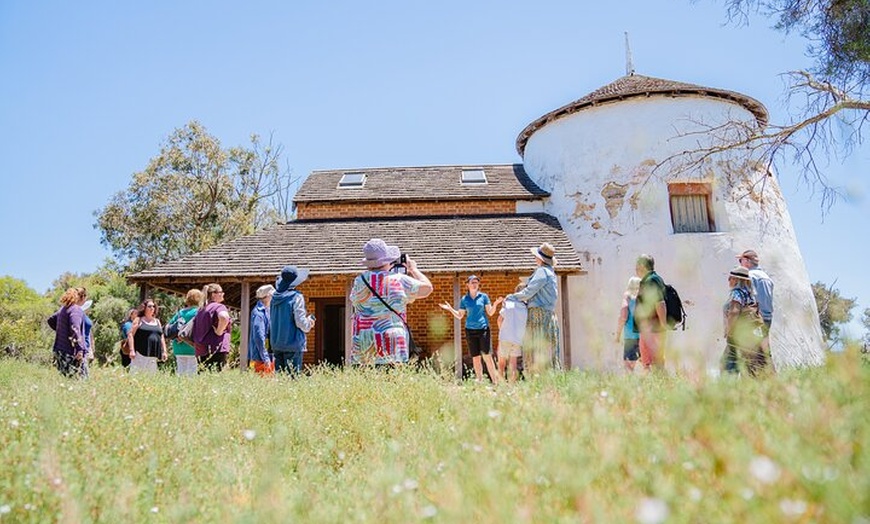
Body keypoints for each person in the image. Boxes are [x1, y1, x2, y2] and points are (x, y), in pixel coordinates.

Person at [350, 238, 433, 366]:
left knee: (367, 382)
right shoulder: (398, 280)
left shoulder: (359, 281)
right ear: (387, 260)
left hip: (363, 343)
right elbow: (427, 288)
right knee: (392, 380)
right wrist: (413, 269)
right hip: (391, 342)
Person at [505, 242, 560, 375]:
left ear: (540, 258)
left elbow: (529, 292)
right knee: (546, 350)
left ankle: (537, 378)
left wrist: (512, 297)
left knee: (536, 349)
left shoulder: (542, 272)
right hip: (548, 314)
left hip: (538, 315)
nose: (535, 259)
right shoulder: (551, 272)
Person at [439, 275, 503, 383]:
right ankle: (480, 381)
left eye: (476, 282)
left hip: (483, 330)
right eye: (472, 282)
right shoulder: (464, 299)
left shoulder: (484, 297)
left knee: (487, 356)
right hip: (470, 331)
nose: (474, 284)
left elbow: (490, 313)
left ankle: (495, 382)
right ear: (467, 285)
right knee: (476, 357)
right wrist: (450, 309)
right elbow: (460, 315)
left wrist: (496, 304)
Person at [721, 265, 770, 376]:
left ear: (737, 280)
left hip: (737, 334)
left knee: (727, 365)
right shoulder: (750, 295)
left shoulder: (736, 293)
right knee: (748, 364)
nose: (729, 280)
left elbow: (734, 312)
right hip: (750, 335)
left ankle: (727, 389)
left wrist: (729, 331)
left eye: (731, 278)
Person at [270, 267, 314, 374]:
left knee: (281, 379)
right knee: (293, 379)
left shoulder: (273, 298)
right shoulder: (296, 297)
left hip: (277, 344)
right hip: (293, 343)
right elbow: (300, 321)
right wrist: (309, 323)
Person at [738, 249, 774, 363]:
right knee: (763, 353)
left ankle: (751, 378)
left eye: (741, 260)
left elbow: (747, 299)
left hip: (754, 319)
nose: (740, 263)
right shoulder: (767, 277)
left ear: (747, 261)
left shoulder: (749, 276)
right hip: (767, 319)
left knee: (749, 354)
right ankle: (768, 377)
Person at [634, 254, 667, 371]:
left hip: (652, 329)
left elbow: (660, 303)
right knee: (652, 362)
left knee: (652, 363)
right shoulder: (654, 279)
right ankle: (657, 386)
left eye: (637, 265)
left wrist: (663, 324)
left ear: (642, 265)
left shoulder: (650, 281)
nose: (635, 268)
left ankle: (658, 386)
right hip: (651, 329)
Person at [47, 287, 89, 378]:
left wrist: (62, 331)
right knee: (80, 381)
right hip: (70, 352)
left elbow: (51, 320)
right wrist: (79, 349)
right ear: (82, 297)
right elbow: (75, 329)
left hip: (60, 350)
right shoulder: (76, 309)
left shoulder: (63, 309)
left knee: (66, 380)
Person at [192, 283, 233, 372]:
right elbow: (224, 317)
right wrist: (219, 331)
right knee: (215, 376)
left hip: (201, 349)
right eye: (221, 292)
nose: (223, 294)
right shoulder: (219, 306)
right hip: (216, 347)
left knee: (204, 376)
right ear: (214, 294)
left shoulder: (201, 309)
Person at [497, 282, 528, 383]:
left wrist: (502, 331)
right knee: (513, 364)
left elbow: (499, 320)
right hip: (517, 339)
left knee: (501, 363)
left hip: (505, 337)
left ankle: (500, 385)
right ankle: (512, 386)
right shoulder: (526, 308)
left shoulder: (508, 304)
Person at [168, 289, 201, 376]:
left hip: (178, 346)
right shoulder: (198, 312)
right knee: (192, 373)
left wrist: (179, 337)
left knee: (181, 372)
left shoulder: (180, 313)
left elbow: (170, 326)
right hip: (192, 345)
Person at [127, 300, 167, 373]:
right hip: (140, 354)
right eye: (149, 306)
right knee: (136, 375)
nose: (152, 308)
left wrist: (164, 351)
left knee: (150, 377)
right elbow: (130, 334)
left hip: (153, 355)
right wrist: (132, 350)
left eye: (153, 306)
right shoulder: (138, 320)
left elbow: (161, 336)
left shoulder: (157, 321)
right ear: (144, 308)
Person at [615, 277, 641, 371]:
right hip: (645, 336)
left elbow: (623, 316)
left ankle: (631, 385)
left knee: (629, 368)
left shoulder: (628, 296)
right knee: (646, 366)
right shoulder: (644, 297)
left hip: (631, 337)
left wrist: (617, 335)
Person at [250, 284, 275, 376]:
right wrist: (266, 358)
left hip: (267, 355)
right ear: (268, 296)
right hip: (262, 358)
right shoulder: (259, 313)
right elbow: (259, 336)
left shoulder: (266, 310)